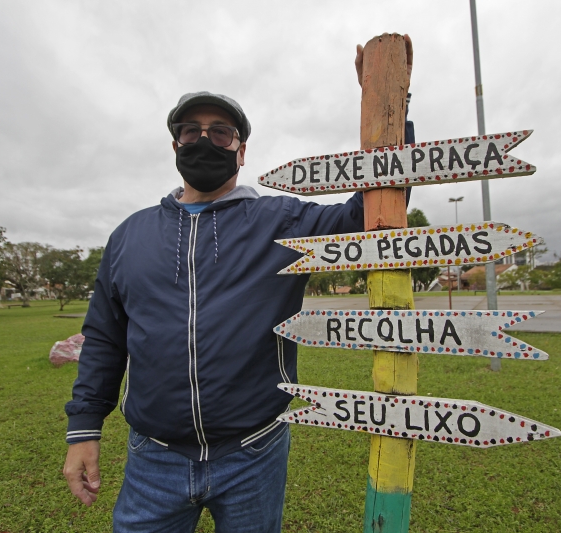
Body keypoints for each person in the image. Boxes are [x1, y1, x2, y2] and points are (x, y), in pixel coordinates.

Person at [63, 36, 413, 533]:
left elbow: (368, 213)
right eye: (191, 131)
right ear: (175, 145)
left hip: (254, 454)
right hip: (152, 459)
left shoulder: (282, 220)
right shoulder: (129, 235)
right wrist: (83, 430)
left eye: (221, 133)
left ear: (241, 151)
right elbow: (103, 338)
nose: (204, 141)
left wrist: (388, 103)